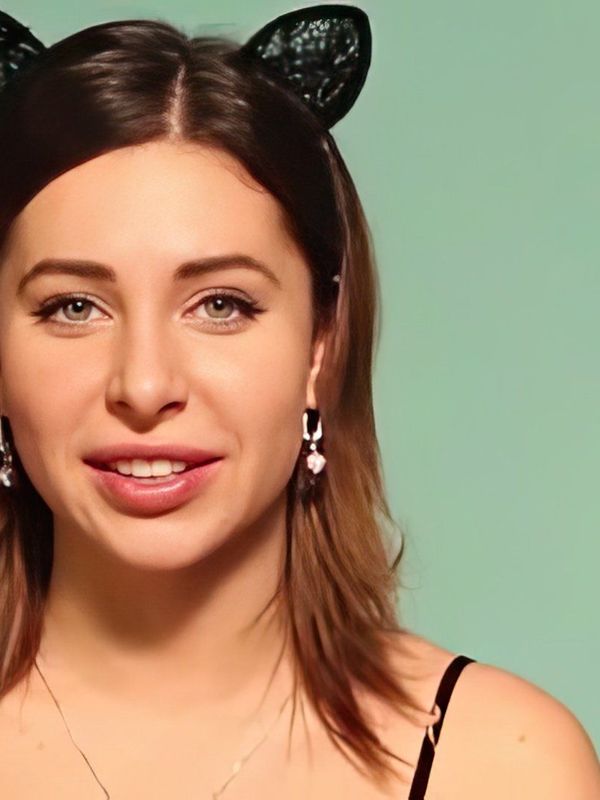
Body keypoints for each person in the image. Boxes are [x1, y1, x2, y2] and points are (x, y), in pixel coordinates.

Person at [0, 5, 597, 799]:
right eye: (74, 307)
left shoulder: (498, 765)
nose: (144, 386)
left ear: (321, 342)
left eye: (221, 305)